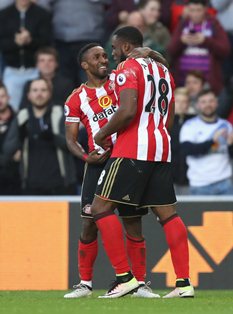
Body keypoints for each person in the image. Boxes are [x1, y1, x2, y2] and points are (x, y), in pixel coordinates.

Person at [91, 26, 193, 298]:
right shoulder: (164, 72)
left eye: (113, 49)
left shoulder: (128, 67)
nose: (112, 55)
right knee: (168, 215)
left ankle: (125, 278)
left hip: (132, 149)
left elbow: (126, 111)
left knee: (99, 208)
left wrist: (101, 134)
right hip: (161, 147)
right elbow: (168, 118)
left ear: (125, 47)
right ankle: (184, 284)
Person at [64, 43, 161, 298]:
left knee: (133, 223)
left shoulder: (121, 81)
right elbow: (70, 139)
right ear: (85, 65)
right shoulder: (76, 98)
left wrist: (150, 52)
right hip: (98, 163)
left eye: (105, 55)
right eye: (96, 57)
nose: (103, 60)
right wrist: (87, 157)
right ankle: (85, 284)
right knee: (89, 224)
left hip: (125, 159)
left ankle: (139, 283)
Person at [3, 78, 77, 195]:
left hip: (61, 186)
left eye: (43, 90)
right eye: (35, 90)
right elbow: (7, 151)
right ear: (28, 95)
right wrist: (19, 139)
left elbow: (74, 145)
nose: (39, 94)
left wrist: (53, 136)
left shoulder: (60, 114)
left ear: (49, 93)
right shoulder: (22, 117)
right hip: (30, 187)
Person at [168, 0, 230, 95]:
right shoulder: (183, 24)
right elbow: (170, 50)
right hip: (183, 82)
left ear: (205, 9)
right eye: (192, 10)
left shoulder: (213, 24)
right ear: (188, 10)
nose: (195, 14)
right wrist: (181, 41)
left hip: (208, 84)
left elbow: (225, 50)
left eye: (198, 10)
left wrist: (206, 41)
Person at [0, 0, 52, 111]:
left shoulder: (42, 14)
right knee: (11, 108)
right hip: (12, 71)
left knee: (37, 108)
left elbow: (47, 43)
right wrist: (15, 42)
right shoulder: (4, 14)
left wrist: (30, 41)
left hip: (34, 71)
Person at [180, 88, 233, 195]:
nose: (208, 104)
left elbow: (230, 155)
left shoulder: (226, 125)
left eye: (211, 101)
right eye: (203, 102)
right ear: (198, 105)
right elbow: (187, 150)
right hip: (200, 184)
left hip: (225, 182)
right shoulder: (190, 125)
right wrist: (212, 141)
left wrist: (231, 145)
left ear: (217, 103)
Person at [171, 87, 195, 195]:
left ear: (188, 104)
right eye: (178, 101)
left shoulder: (195, 122)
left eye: (184, 101)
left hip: (189, 175)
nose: (181, 104)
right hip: (169, 177)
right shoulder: (164, 123)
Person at [0, 83, 21, 195]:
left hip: (15, 180)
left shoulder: (20, 119)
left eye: (2, 96)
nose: (0, 100)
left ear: (9, 97)